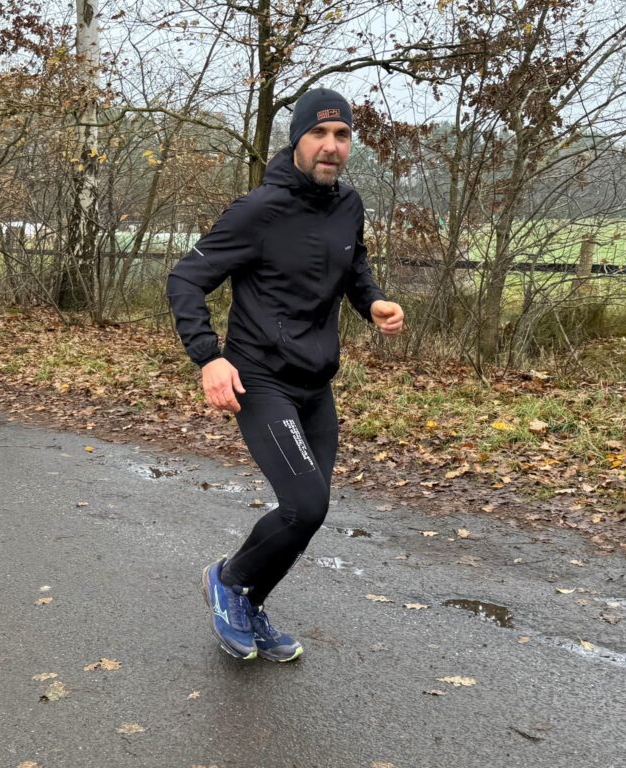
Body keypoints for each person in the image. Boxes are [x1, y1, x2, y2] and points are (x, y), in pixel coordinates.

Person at [166, 88, 404, 662]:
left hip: (315, 382)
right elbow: (185, 279)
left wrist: (371, 301)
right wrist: (209, 357)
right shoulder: (258, 210)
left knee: (307, 514)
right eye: (318, 134)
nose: (331, 146)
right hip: (260, 378)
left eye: (342, 135)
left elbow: (354, 264)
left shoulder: (348, 205)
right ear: (297, 139)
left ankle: (249, 603)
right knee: (305, 505)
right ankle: (227, 581)